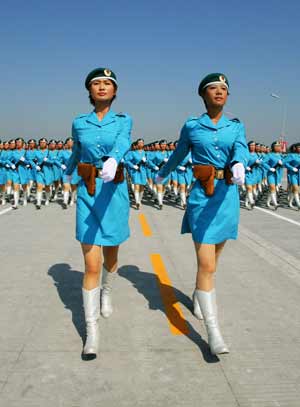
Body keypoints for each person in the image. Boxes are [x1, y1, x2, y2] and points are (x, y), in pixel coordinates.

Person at [156, 73, 248, 355]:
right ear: (203, 95)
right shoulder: (193, 126)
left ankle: (199, 293)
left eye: (223, 89)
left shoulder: (236, 126)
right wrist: (163, 173)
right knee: (206, 264)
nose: (219, 92)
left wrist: (241, 163)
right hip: (202, 196)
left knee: (214, 259)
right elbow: (179, 153)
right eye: (213, 88)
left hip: (227, 197)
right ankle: (213, 331)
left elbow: (241, 148)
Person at [65, 67, 132, 358]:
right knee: (91, 264)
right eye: (96, 83)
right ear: (89, 91)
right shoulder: (79, 122)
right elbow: (77, 151)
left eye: (107, 83)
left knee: (111, 255)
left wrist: (115, 159)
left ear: (115, 91)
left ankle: (107, 290)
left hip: (114, 192)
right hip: (88, 192)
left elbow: (123, 141)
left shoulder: (123, 120)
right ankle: (92, 331)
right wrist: (67, 175)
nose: (102, 87)